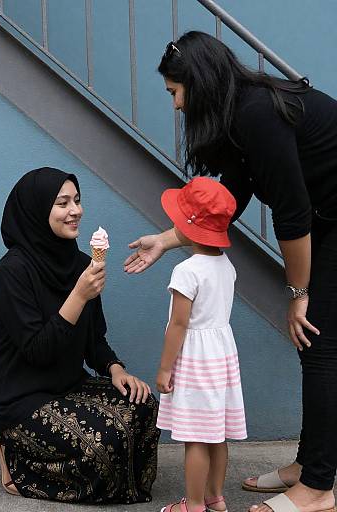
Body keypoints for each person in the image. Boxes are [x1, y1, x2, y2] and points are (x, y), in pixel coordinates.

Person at [124, 30, 337, 512]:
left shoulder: (258, 113)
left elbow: (292, 212)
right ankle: (310, 464)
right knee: (315, 347)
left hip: (324, 217)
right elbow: (229, 201)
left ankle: (320, 487)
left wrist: (298, 292)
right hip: (325, 217)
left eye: (175, 93)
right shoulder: (238, 118)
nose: (176, 106)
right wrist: (167, 238)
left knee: (319, 342)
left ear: (197, 84)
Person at [0, 167, 160, 504]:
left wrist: (116, 369)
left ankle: (109, 477)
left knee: (143, 406)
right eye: (62, 203)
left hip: (67, 386)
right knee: (104, 441)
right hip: (21, 397)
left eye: (77, 200)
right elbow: (37, 351)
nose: (75, 210)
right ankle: (17, 459)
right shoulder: (12, 272)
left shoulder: (81, 262)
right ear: (37, 211)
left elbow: (94, 340)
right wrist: (78, 295)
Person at [155, 177, 246, 512]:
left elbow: (179, 324)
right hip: (221, 355)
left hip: (195, 358)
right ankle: (214, 497)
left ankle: (192, 505)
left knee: (195, 437)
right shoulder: (226, 267)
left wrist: (165, 367)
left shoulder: (186, 271)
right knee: (217, 433)